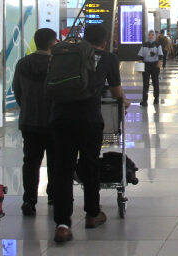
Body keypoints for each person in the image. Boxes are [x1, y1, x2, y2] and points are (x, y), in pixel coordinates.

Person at [51, 24, 130, 244]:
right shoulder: (108, 58)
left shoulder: (65, 54)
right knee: (90, 164)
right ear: (104, 41)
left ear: (85, 39)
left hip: (60, 117)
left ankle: (62, 225)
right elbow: (115, 90)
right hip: (89, 119)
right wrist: (124, 101)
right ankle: (92, 214)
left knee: (63, 169)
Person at [13, 27, 58, 216]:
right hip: (54, 121)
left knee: (31, 161)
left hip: (29, 121)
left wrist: (26, 107)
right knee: (55, 160)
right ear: (52, 43)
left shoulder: (23, 64)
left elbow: (17, 90)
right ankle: (53, 195)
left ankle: (29, 200)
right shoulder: (57, 64)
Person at [138, 30, 164, 105]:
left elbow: (160, 55)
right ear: (148, 36)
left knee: (155, 82)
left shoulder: (157, 44)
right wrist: (140, 67)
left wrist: (159, 62)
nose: (151, 36)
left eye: (152, 35)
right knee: (145, 83)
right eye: (150, 35)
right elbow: (140, 56)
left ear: (154, 36)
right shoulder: (144, 45)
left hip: (155, 65)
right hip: (146, 65)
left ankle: (156, 98)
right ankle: (144, 100)